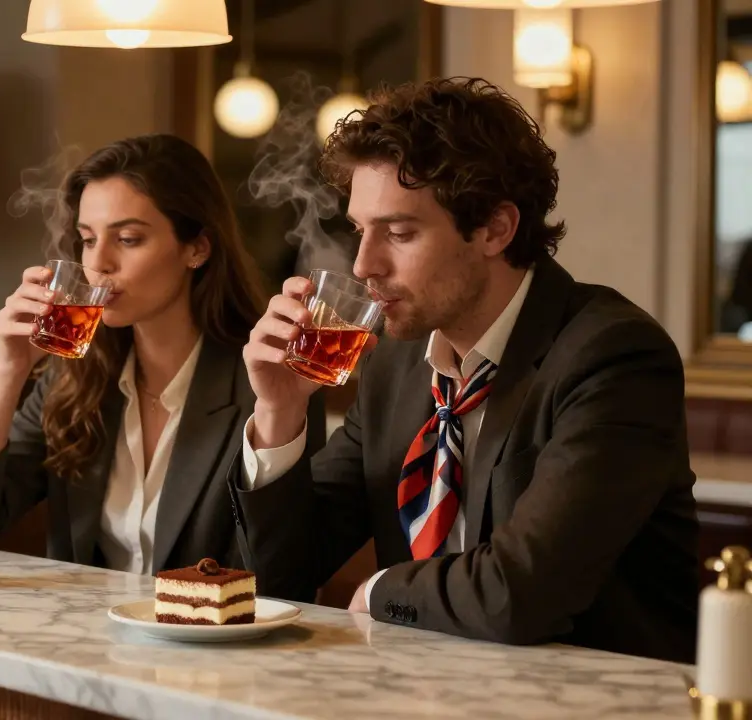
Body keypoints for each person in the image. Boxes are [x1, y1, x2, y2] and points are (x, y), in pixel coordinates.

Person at [235, 78, 697, 662]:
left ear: (495, 229)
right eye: (360, 230)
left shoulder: (613, 355)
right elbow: (278, 579)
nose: (363, 264)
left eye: (399, 233)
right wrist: (279, 412)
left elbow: (522, 593)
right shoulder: (398, 364)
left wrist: (378, 590)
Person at [0, 134, 326, 574]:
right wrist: (9, 368)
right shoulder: (75, 378)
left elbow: (283, 576)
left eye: (127, 239)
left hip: (206, 638)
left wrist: (277, 417)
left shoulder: (271, 387)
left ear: (196, 248)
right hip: (85, 637)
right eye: (87, 240)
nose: (98, 262)